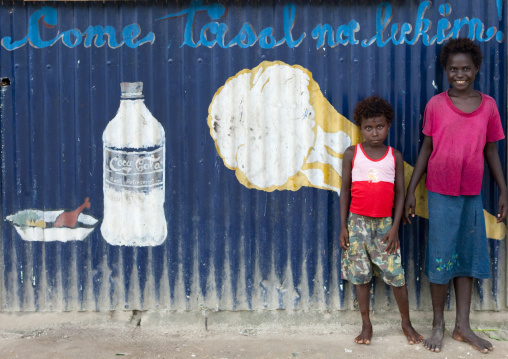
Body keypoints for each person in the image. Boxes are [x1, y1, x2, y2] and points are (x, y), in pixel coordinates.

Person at [404, 38, 507, 354]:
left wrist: (503, 189)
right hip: (439, 192)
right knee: (441, 256)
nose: (459, 74)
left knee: (466, 257)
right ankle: (438, 324)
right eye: (453, 69)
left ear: (476, 69)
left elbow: (491, 150)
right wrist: (411, 191)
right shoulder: (435, 105)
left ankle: (463, 326)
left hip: (471, 193)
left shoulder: (488, 105)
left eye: (466, 68)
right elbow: (426, 149)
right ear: (445, 71)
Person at [339, 96, 423, 345]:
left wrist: (395, 227)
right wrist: (343, 226)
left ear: (388, 126)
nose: (374, 133)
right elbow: (345, 191)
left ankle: (406, 323)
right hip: (357, 224)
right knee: (360, 276)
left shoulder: (393, 155)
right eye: (368, 127)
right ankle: (366, 325)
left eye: (379, 127)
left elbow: (400, 194)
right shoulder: (351, 153)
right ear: (360, 127)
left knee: (396, 275)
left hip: (386, 225)